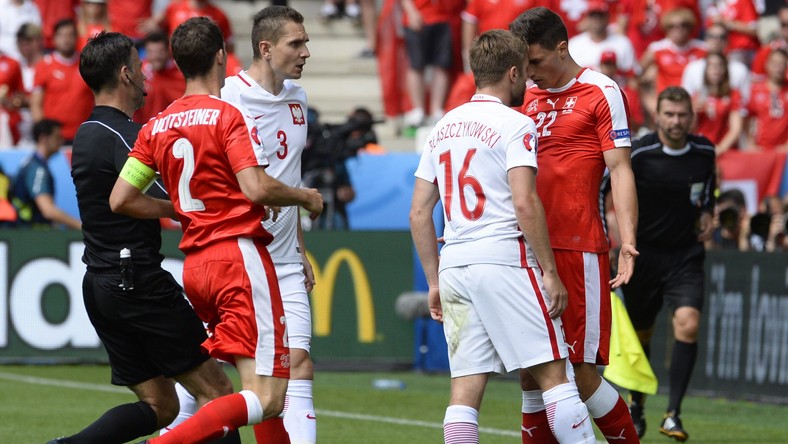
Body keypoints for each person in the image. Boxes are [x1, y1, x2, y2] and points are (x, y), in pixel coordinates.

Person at [109, 17, 323, 443]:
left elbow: (120, 199)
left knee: (234, 380)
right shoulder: (229, 113)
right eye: (296, 42)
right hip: (241, 257)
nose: (305, 51)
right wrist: (306, 198)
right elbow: (256, 187)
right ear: (223, 57)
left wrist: (183, 209)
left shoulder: (157, 125)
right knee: (267, 395)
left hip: (197, 263)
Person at [46, 30, 239, 444]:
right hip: (136, 281)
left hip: (100, 284)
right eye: (139, 66)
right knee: (219, 394)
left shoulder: (86, 133)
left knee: (160, 405)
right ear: (125, 74)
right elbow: (169, 196)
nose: (146, 73)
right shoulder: (127, 136)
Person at [410, 28, 595, 444]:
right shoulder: (516, 123)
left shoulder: (442, 126)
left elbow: (419, 212)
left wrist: (434, 281)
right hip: (504, 259)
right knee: (555, 374)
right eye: (524, 72)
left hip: (455, 264)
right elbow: (525, 202)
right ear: (513, 72)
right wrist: (550, 272)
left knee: (465, 391)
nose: (527, 79)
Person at [510, 7, 641, 443]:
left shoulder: (601, 91)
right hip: (527, 248)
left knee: (580, 372)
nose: (530, 72)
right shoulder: (526, 97)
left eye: (536, 61)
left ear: (562, 48)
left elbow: (620, 169)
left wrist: (627, 240)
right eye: (524, 64)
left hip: (577, 247)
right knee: (532, 371)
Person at [607, 86, 716, 441]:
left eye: (682, 115)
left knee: (688, 324)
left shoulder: (705, 151)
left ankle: (673, 414)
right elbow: (605, 186)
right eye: (669, 114)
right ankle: (636, 407)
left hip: (685, 255)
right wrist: (613, 237)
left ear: (692, 117)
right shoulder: (640, 152)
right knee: (642, 333)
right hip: (644, 255)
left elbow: (707, 191)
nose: (676, 121)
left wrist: (708, 213)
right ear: (657, 116)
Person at [30, 18, 93, 143]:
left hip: (83, 135)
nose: (66, 39)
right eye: (62, 35)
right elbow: (36, 103)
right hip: (53, 138)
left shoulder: (87, 65)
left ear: (77, 38)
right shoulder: (44, 65)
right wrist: (43, 132)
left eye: (70, 35)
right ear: (54, 38)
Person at [11, 118, 80, 229]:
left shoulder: (31, 163)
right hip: (31, 234)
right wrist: (80, 226)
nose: (62, 141)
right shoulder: (37, 169)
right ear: (43, 138)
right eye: (57, 137)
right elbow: (48, 210)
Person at [691, 52, 746, 156]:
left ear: (725, 69)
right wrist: (693, 112)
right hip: (701, 150)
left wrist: (720, 149)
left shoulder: (733, 94)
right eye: (711, 65)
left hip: (725, 151)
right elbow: (690, 129)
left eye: (720, 65)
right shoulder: (698, 95)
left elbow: (736, 129)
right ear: (706, 70)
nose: (715, 69)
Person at [133, 31, 185, 124]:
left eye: (160, 52)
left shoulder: (181, 74)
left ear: (168, 51)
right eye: (150, 52)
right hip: (143, 128)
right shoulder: (138, 72)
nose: (155, 57)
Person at [746, 48, 788, 152]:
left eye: (782, 64)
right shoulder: (755, 90)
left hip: (784, 151)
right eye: (775, 63)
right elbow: (748, 119)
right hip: (760, 149)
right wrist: (751, 143)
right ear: (767, 64)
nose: (778, 67)